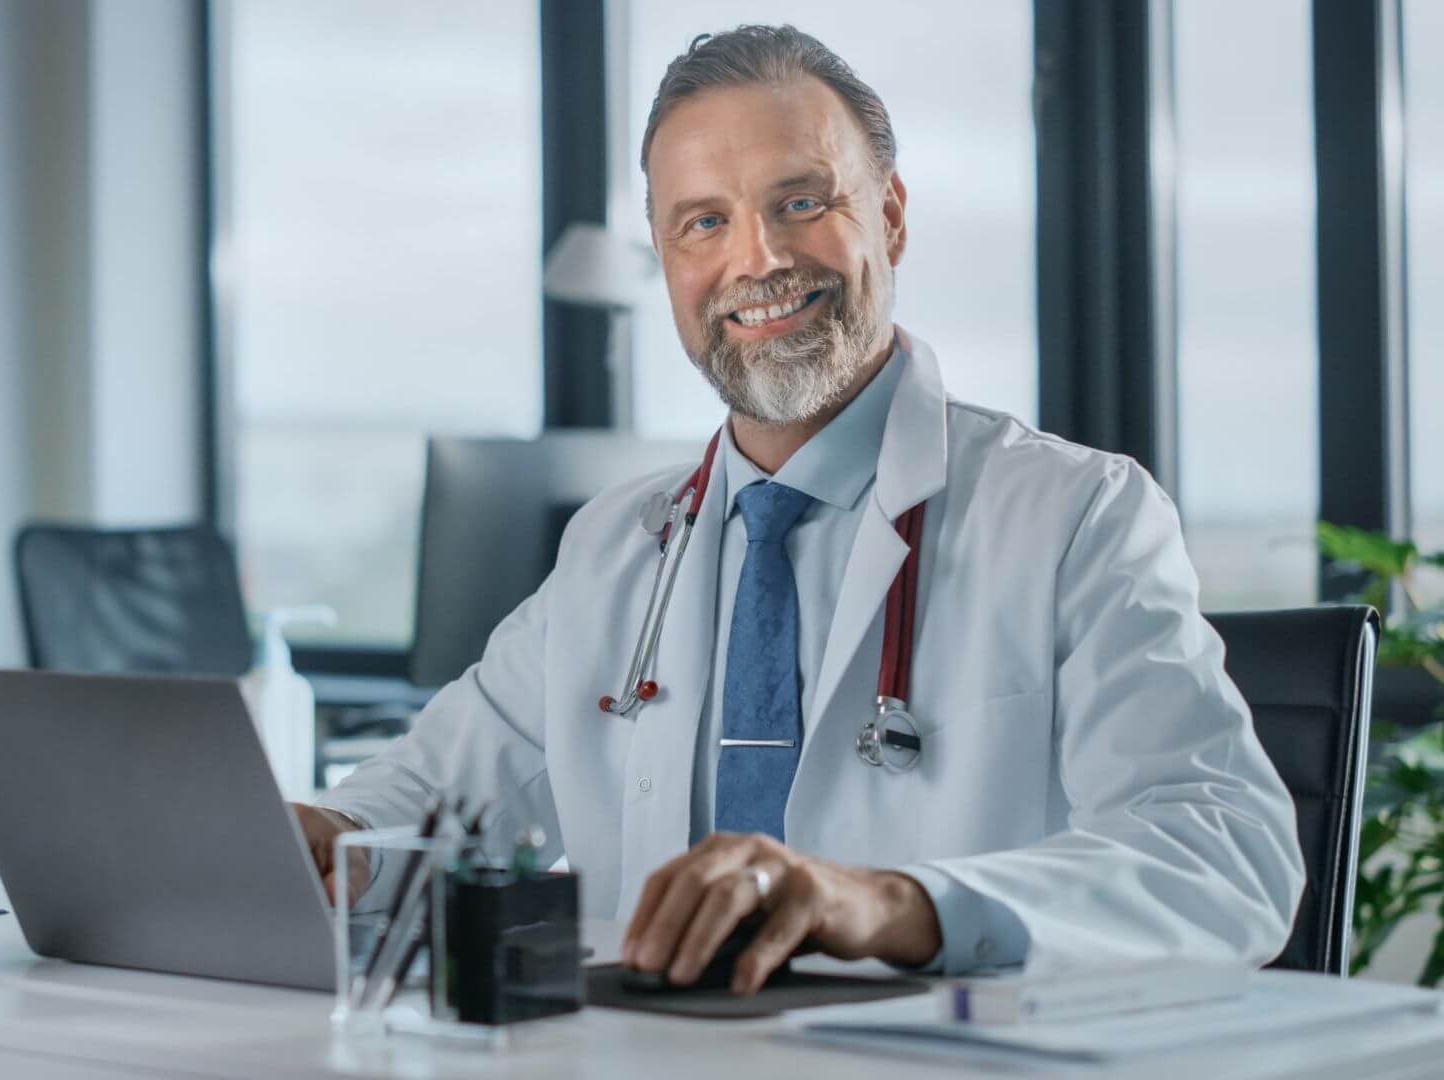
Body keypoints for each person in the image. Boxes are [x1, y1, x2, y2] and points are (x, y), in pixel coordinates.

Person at [294, 24, 1303, 994]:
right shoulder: (616, 546)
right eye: (704, 222)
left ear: (892, 215)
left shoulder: (1075, 514)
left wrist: (892, 904)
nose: (759, 260)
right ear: (667, 257)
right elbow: (429, 796)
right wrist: (320, 841)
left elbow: (1223, 855)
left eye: (801, 201)